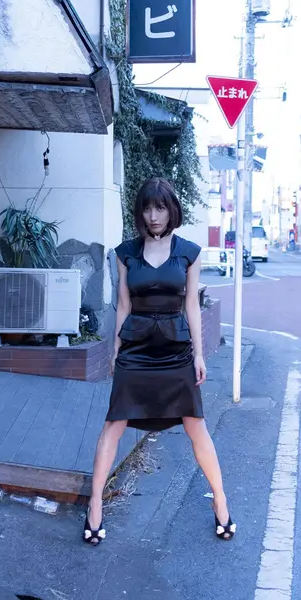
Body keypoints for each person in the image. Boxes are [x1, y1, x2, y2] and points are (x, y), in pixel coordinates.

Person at [83, 177, 235, 546]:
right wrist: (115, 350)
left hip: (175, 350)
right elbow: (123, 304)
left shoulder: (189, 252)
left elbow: (191, 306)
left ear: (172, 211)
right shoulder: (125, 254)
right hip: (135, 349)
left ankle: (220, 499)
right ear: (140, 212)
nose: (154, 215)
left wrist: (199, 353)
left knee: (196, 425)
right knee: (114, 424)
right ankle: (94, 503)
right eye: (148, 208)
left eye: (161, 208)